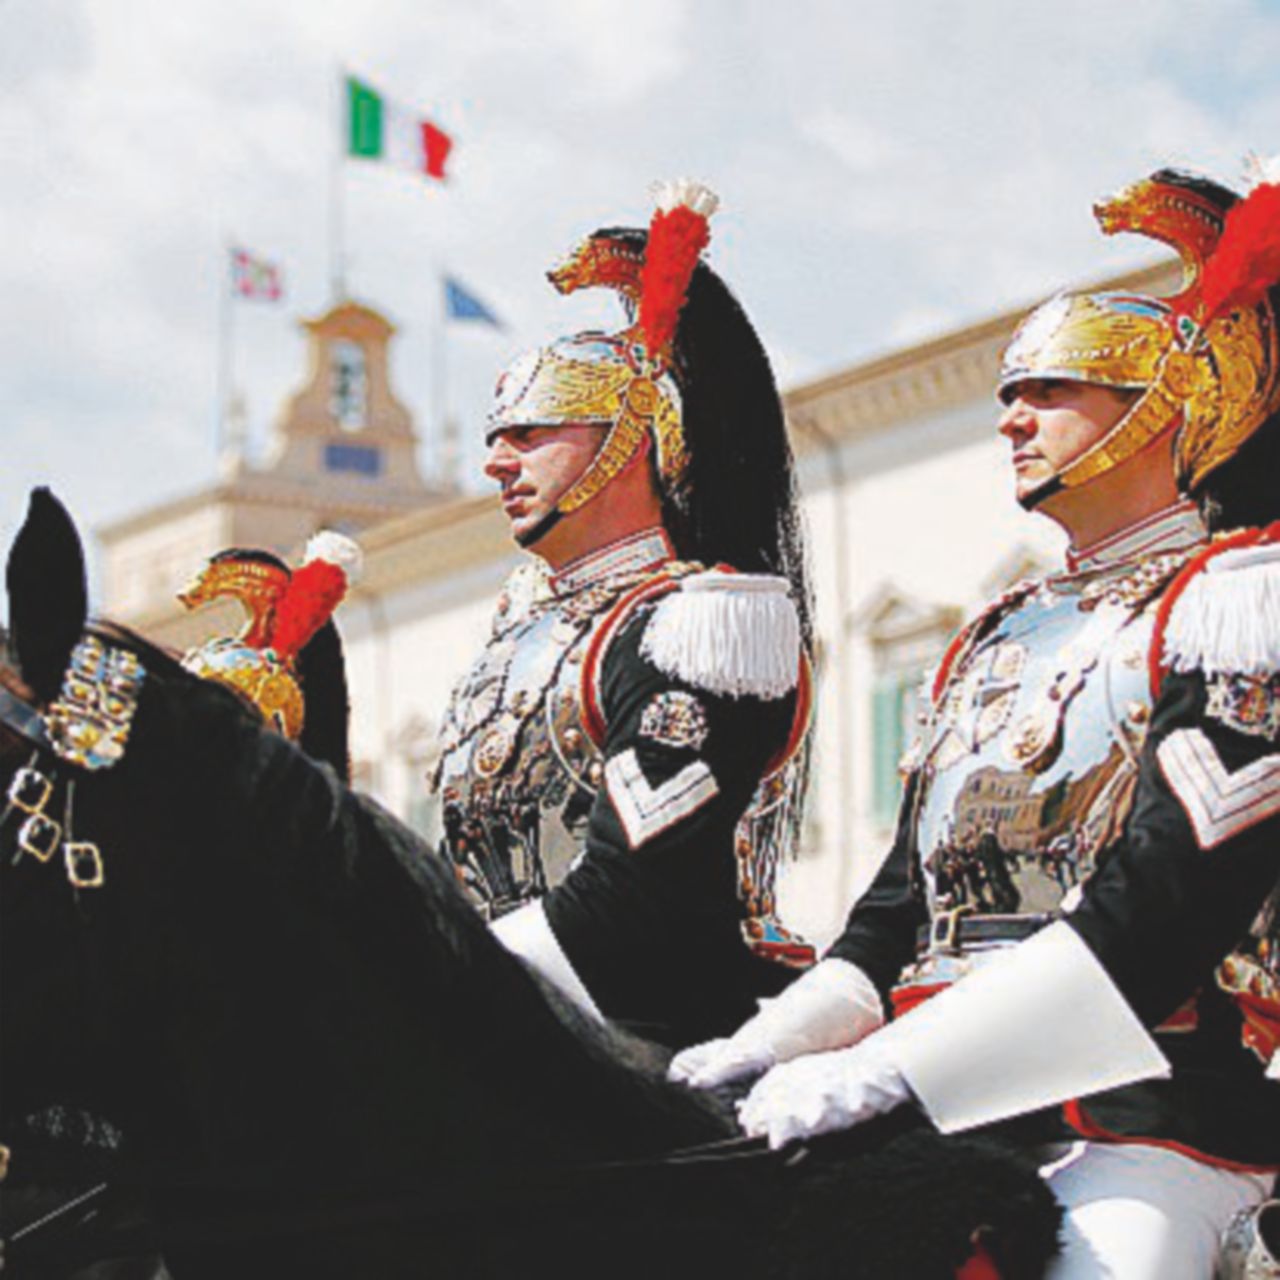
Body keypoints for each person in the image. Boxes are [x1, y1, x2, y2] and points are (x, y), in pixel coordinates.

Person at [671, 166, 1280, 1278]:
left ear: (1162, 404)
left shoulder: (1237, 605)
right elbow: (892, 915)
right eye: (1006, 388)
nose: (1008, 415)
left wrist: (889, 1066)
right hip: (948, 1096)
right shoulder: (996, 634)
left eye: (1049, 387)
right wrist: (760, 1048)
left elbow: (1161, 915)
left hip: (1141, 1111)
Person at [430, 182, 816, 1048]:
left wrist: (427, 996)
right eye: (498, 434)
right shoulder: (525, 631)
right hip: (515, 1028)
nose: (497, 460)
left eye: (532, 431)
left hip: (664, 1037)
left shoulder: (700, 624)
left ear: (635, 436)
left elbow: (633, 898)